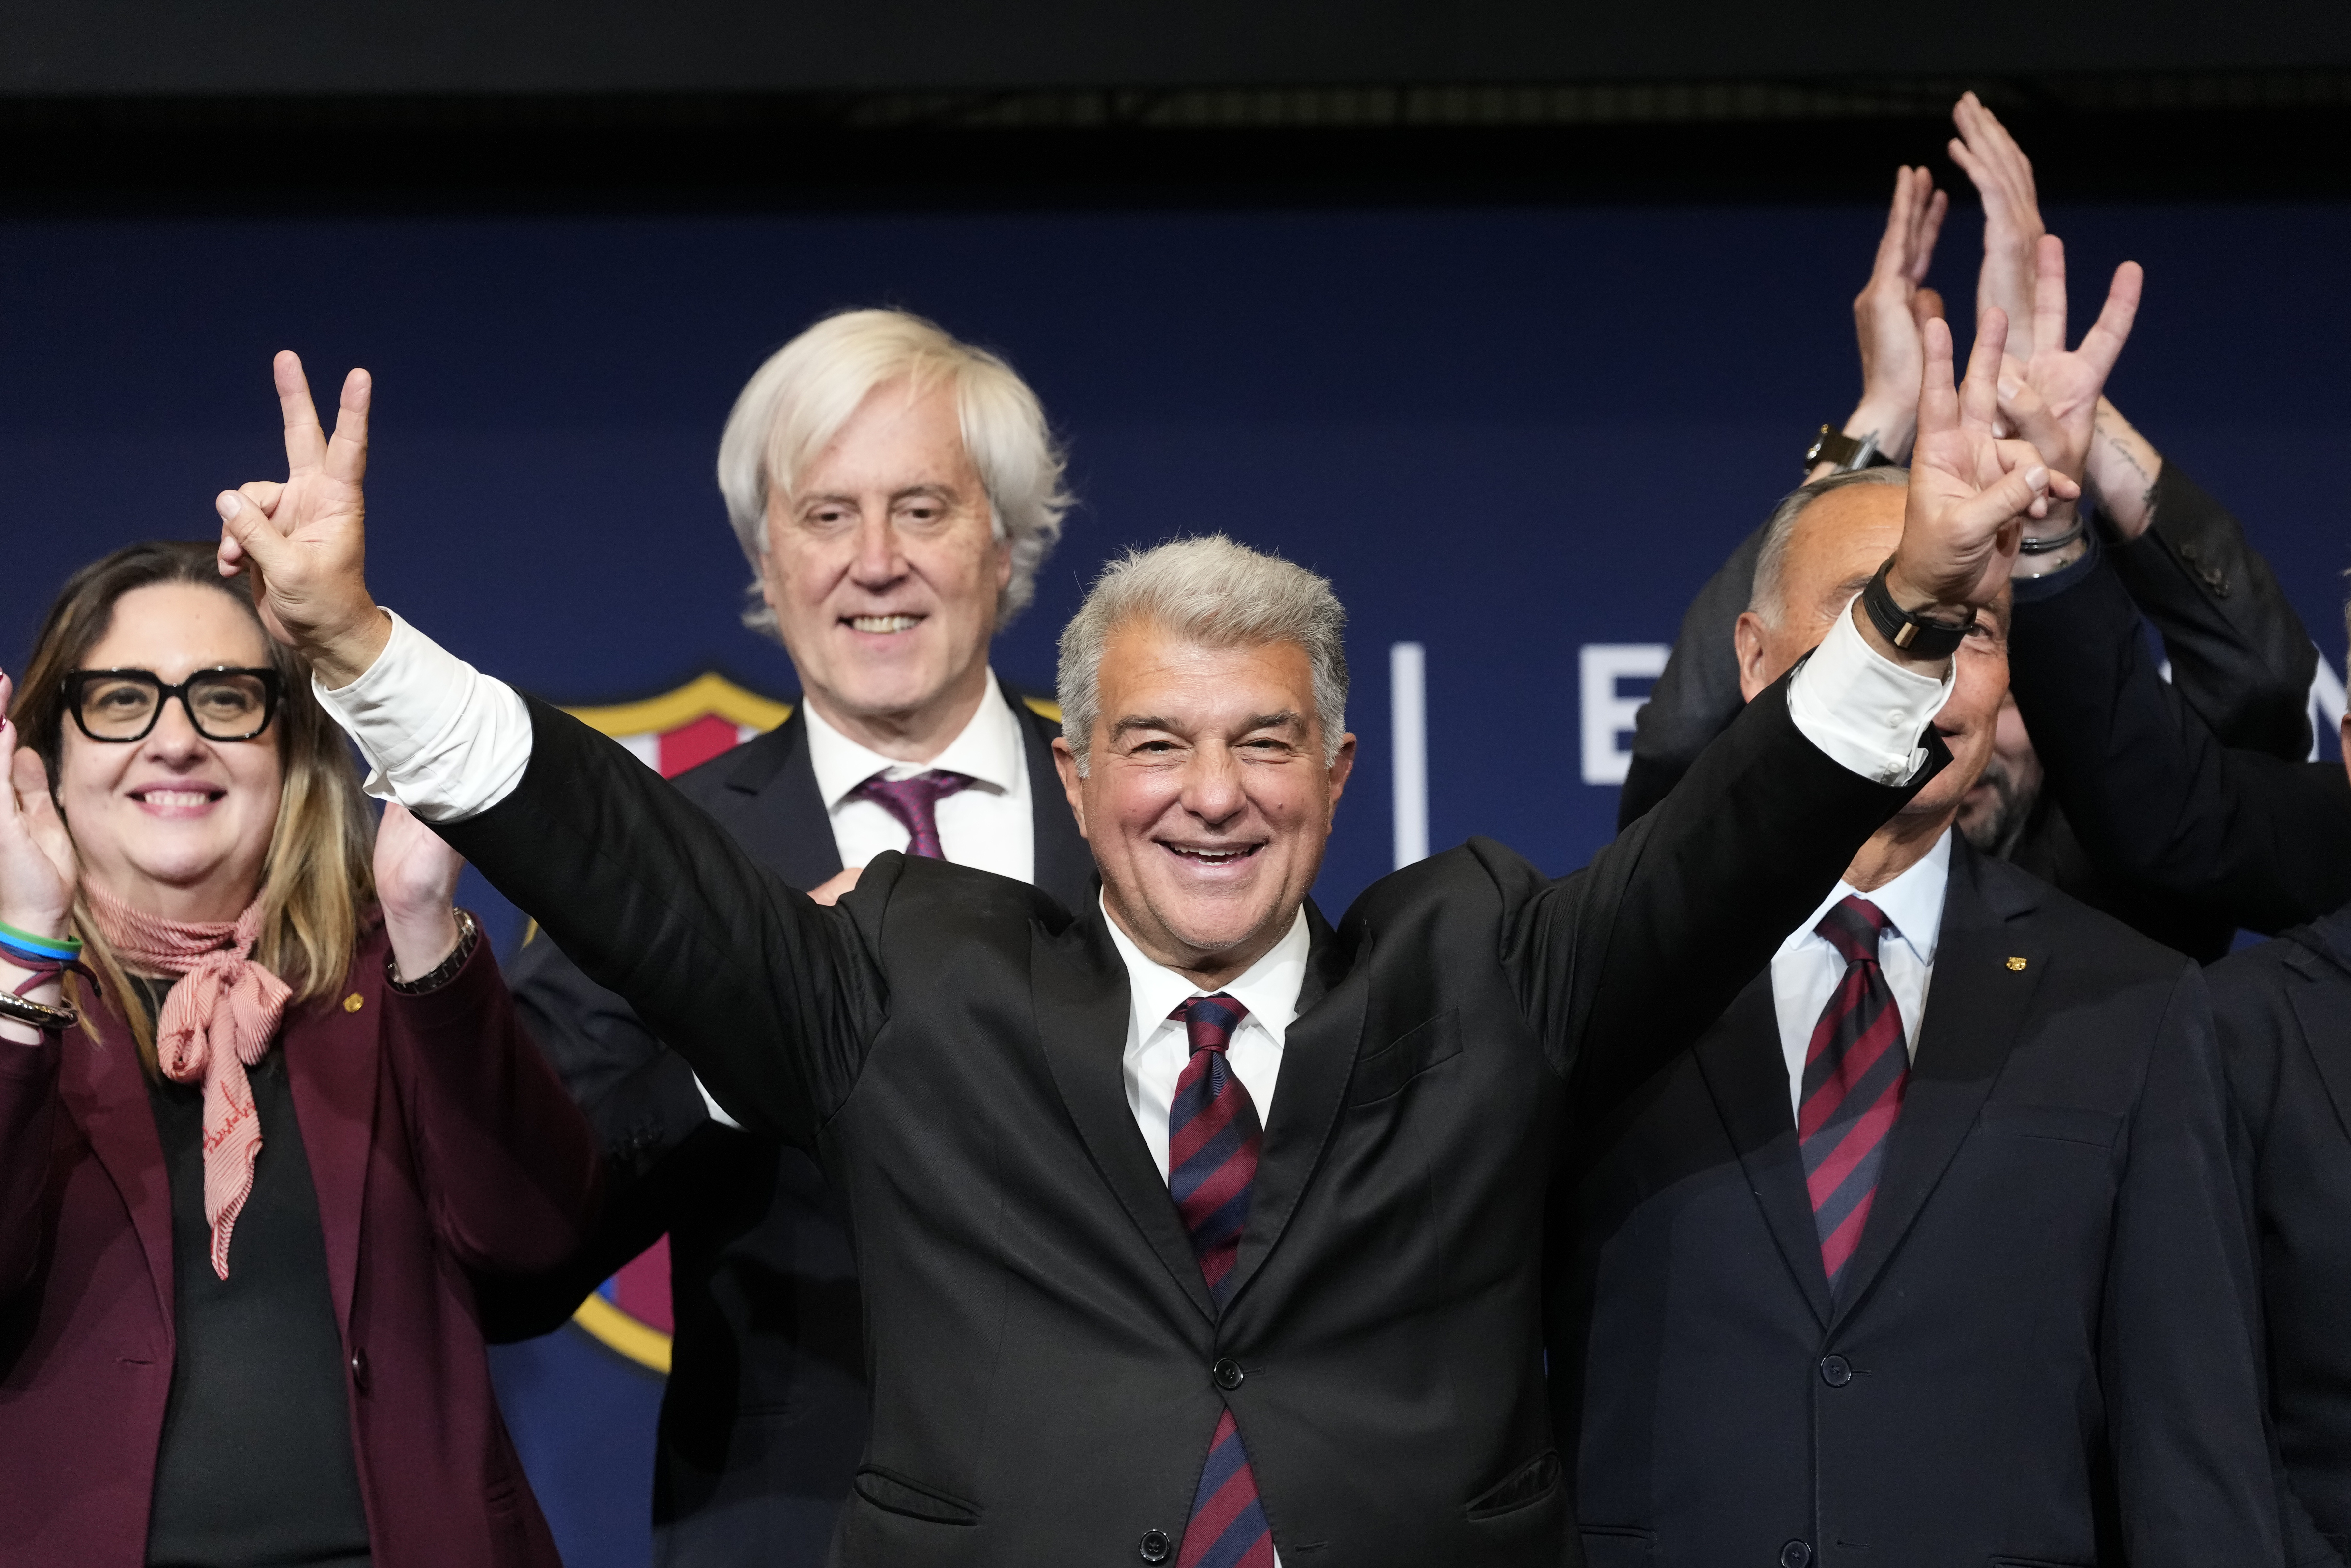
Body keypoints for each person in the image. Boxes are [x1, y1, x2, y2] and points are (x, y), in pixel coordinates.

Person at [212, 308, 2064, 1563]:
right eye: (1158, 746)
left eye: (1265, 742)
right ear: (1077, 778)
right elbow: (615, 845)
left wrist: (1909, 608)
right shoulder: (917, 980)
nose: (1213, 793)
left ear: (1339, 777)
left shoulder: (1480, 966)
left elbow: (1731, 851)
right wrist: (362, 643)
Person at [1555, 454, 2286, 1564]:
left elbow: (2193, 1451)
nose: (1924, 663)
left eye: (1975, 627)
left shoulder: (2133, 1005)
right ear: (1754, 660)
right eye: (1877, 613)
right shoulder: (1598, 971)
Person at [490, 308, 1095, 1563]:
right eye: (826, 517)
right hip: (791, 1521)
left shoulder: (1140, 814)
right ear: (767, 558)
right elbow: (524, 1230)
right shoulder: (655, 855)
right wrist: (736, 1054)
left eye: (923, 509)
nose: (875, 563)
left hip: (1120, 1512)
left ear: (1007, 539)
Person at [0, 541, 601, 1567]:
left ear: (291, 744)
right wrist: (24, 965)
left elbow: (538, 1253)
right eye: (120, 700)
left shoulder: (390, 966)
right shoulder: (14, 998)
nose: (175, 741)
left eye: (225, 699)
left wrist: (422, 927)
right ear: (46, 755)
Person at [1621, 95, 2317, 961]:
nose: (1936, 697)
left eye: (1986, 648)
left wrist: (2077, 427)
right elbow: (1688, 737)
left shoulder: (2133, 893)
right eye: (1901, 643)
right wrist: (1877, 420)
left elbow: (2261, 690)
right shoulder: (1711, 893)